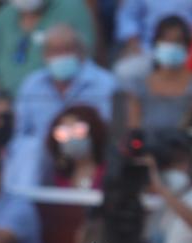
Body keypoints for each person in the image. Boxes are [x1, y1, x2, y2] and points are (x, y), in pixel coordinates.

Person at [10, 25, 118, 186]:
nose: (60, 56)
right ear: (44, 55)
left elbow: (111, 131)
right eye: (54, 50)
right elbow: (19, 132)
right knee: (28, 148)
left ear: (81, 51)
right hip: (43, 162)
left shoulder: (105, 83)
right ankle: (25, 203)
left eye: (67, 49)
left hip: (90, 158)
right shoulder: (32, 84)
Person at [125, 15, 192, 135]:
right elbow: (134, 131)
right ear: (156, 44)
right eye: (166, 41)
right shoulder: (139, 86)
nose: (171, 46)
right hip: (149, 151)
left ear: (187, 46)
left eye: (177, 41)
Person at [0, 0, 95, 97]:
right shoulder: (4, 15)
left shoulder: (71, 7)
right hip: (5, 101)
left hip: (53, 96)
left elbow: (84, 53)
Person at [45, 105, 106, 188]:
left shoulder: (108, 173)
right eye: (63, 132)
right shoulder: (57, 178)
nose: (71, 138)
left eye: (78, 130)